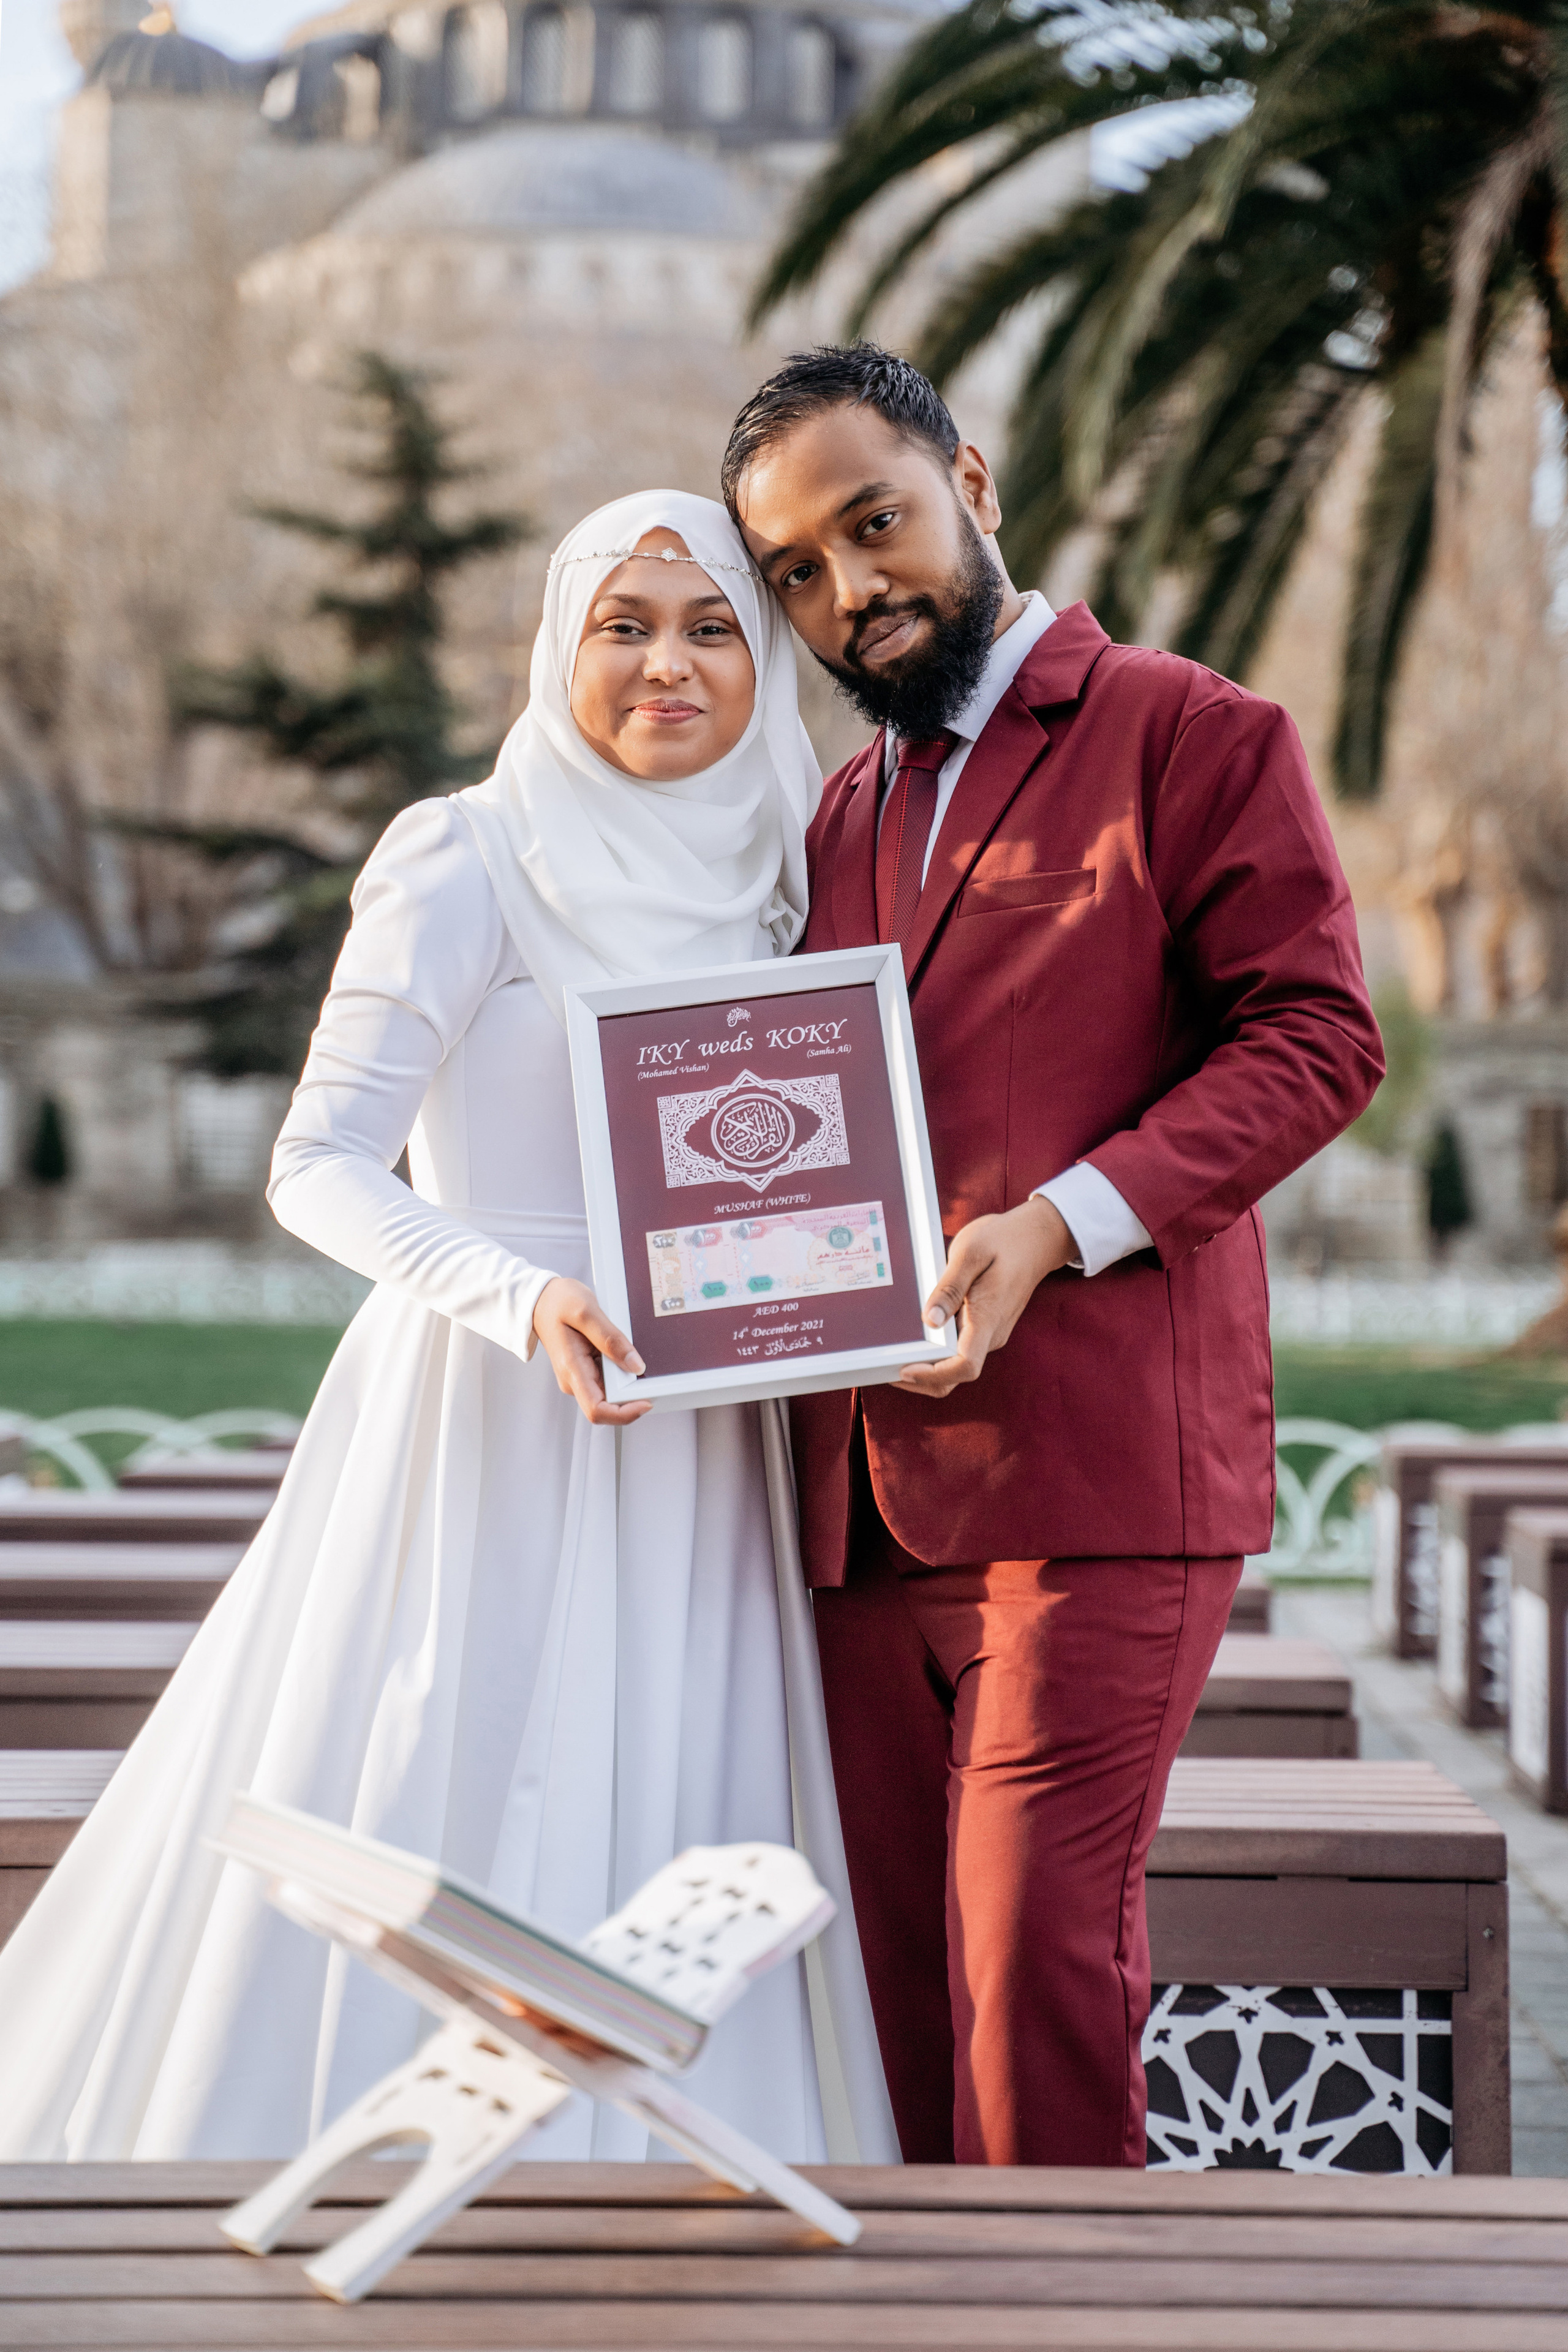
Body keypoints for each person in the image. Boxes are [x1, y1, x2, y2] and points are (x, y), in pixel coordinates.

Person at [0, 491, 892, 2166]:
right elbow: (314, 1167)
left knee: (687, 1808)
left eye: (711, 629)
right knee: (442, 1769)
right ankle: (394, 2164)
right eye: (622, 625)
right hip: (486, 1417)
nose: (665, 667)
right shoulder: (466, 854)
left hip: (706, 1444)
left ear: (769, 660)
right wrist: (514, 1293)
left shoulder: (796, 876)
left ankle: (658, 2186)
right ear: (556, 647)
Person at [722, 345, 1386, 2168]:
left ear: (975, 486)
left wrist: (1058, 1226)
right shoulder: (835, 821)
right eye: (796, 572)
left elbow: (1319, 1038)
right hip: (856, 1509)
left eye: (877, 524)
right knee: (900, 2006)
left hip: (1098, 1486)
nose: (850, 590)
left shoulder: (1190, 729)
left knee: (1031, 1977)